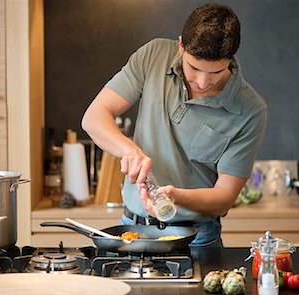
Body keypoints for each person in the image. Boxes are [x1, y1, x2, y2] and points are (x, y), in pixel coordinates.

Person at [82, 3, 267, 249]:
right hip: (132, 228)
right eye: (194, 68)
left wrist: (176, 196)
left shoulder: (250, 109)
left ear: (230, 60)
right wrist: (129, 150)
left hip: (196, 238)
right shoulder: (153, 56)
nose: (202, 82)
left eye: (215, 72)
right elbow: (94, 117)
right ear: (181, 45)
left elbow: (224, 198)